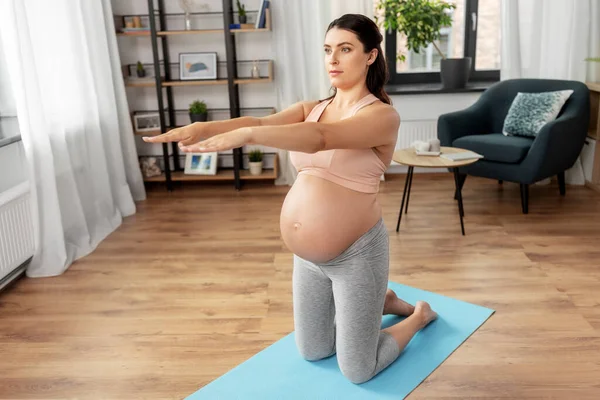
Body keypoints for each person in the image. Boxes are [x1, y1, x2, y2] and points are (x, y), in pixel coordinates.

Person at [143, 13, 437, 384]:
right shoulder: (310, 107)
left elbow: (321, 138)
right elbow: (263, 122)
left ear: (370, 56)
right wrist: (203, 127)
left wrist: (248, 136)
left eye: (345, 49)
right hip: (308, 259)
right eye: (328, 49)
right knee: (313, 350)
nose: (332, 59)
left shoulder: (382, 117)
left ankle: (417, 316)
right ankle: (381, 301)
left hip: (356, 255)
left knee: (358, 370)